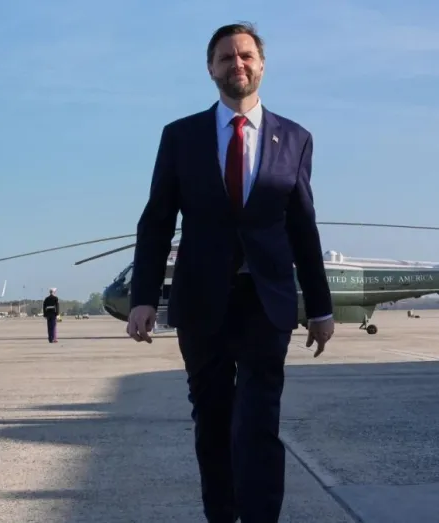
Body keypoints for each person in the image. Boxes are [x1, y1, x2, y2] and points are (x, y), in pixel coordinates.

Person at [125, 22, 334, 523]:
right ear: (210, 69)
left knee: (258, 419)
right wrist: (143, 297)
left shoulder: (296, 139)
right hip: (201, 301)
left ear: (261, 65)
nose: (236, 64)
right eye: (225, 57)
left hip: (267, 301)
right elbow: (157, 220)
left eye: (245, 56)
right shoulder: (180, 137)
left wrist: (320, 307)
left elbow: (303, 227)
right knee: (213, 421)